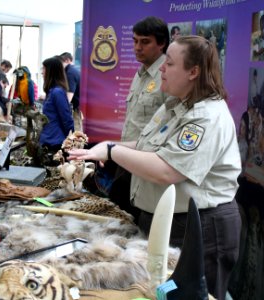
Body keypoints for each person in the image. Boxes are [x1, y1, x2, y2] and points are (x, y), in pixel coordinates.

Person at [69, 36, 242, 300]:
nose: (161, 68)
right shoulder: (175, 105)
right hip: (167, 220)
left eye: (170, 63)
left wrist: (113, 151)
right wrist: (104, 146)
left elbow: (167, 170)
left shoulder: (206, 117)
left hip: (199, 227)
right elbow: (146, 144)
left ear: (193, 72)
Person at [110, 16, 170, 222]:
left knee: (137, 225)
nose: (137, 47)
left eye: (145, 42)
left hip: (147, 164)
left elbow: (170, 125)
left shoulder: (167, 75)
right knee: (119, 218)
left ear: (161, 43)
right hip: (127, 158)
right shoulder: (141, 74)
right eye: (135, 41)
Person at [39, 56, 74, 152]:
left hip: (55, 142)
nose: (42, 72)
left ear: (51, 71)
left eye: (44, 69)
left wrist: (72, 140)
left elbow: (66, 118)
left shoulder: (57, 92)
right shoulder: (51, 91)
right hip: (49, 139)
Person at [60, 52, 82, 131]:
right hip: (78, 105)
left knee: (77, 130)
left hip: (78, 106)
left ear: (67, 60)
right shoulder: (73, 70)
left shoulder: (70, 73)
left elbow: (69, 97)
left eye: (60, 63)